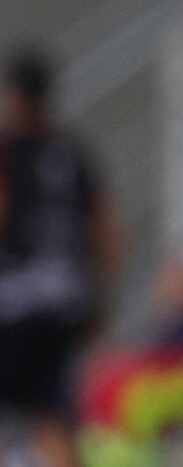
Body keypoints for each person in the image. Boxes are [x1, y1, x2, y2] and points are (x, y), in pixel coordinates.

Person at [0, 49, 120, 467]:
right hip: (66, 302)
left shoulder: (8, 150)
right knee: (52, 421)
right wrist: (102, 297)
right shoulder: (72, 152)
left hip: (15, 305)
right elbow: (105, 230)